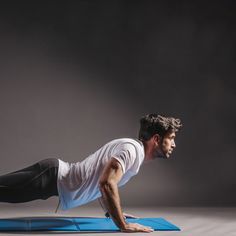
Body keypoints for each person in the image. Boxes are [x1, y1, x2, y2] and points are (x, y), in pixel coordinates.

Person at [0, 114, 182, 233]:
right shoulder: (131, 150)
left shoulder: (133, 151)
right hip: (51, 177)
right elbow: (106, 184)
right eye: (171, 139)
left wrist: (113, 212)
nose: (174, 144)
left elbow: (101, 185)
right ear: (156, 139)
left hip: (51, 178)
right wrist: (123, 225)